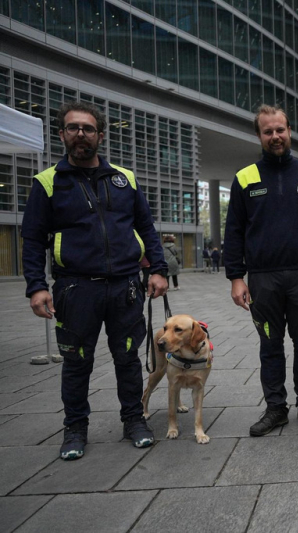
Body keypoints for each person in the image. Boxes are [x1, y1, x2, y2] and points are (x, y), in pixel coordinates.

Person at [21, 101, 169, 461]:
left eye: (88, 129)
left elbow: (146, 227)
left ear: (100, 135)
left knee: (128, 358)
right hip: (75, 289)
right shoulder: (48, 183)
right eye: (73, 128)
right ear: (62, 134)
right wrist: (36, 285)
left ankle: (134, 420)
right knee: (76, 362)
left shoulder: (124, 179)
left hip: (125, 285)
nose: (81, 134)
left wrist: (159, 269)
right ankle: (75, 429)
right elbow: (33, 238)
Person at [224, 104, 298, 436]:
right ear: (259, 135)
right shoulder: (244, 178)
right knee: (270, 344)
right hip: (262, 280)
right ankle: (275, 408)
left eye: (280, 130)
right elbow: (233, 230)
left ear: (289, 131)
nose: (275, 136)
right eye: (267, 131)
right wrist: (236, 277)